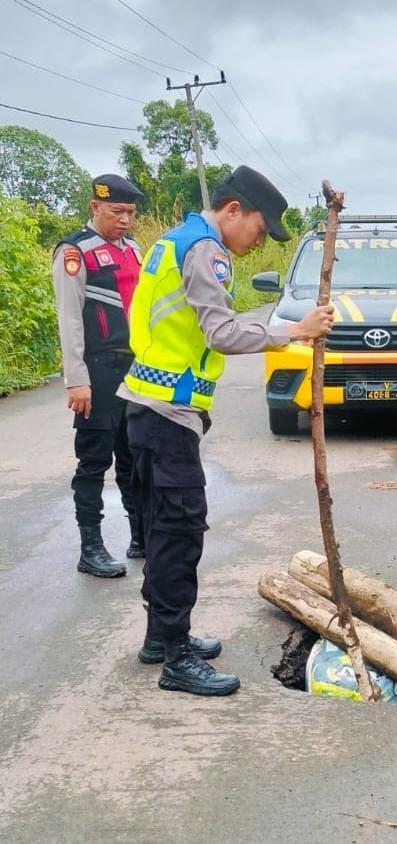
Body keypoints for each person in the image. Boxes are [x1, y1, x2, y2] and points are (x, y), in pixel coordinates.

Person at [119, 165, 334, 696]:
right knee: (179, 534)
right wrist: (293, 332)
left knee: (161, 529)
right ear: (233, 209)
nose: (259, 242)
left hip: (149, 409)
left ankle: (161, 638)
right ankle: (176, 659)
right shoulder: (205, 248)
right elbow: (221, 332)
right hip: (166, 415)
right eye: (260, 229)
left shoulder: (175, 242)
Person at [53, 174, 145, 579]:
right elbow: (70, 319)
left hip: (134, 369)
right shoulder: (75, 252)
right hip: (97, 370)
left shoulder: (134, 251)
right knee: (94, 461)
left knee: (134, 456)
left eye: (130, 213)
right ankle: (91, 548)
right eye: (116, 212)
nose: (124, 220)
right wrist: (77, 378)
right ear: (95, 207)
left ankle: (140, 534)